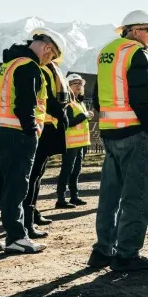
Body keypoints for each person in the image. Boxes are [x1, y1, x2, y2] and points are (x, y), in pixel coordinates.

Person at [0, 30, 65, 255]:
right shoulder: (29, 67)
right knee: (16, 187)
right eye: (50, 58)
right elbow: (25, 105)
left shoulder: (9, 65)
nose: (48, 62)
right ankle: (16, 238)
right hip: (15, 134)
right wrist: (32, 132)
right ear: (48, 48)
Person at [87, 10, 148, 272]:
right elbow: (140, 97)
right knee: (137, 196)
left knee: (110, 195)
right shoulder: (136, 53)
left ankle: (102, 250)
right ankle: (127, 254)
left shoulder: (107, 53)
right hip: (135, 131)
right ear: (135, 30)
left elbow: (96, 98)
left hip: (110, 131)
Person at [22, 31, 70, 236]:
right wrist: (60, 112)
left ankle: (32, 212)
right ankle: (25, 218)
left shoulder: (51, 68)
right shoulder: (38, 67)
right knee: (31, 176)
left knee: (37, 174)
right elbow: (46, 97)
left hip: (48, 126)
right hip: (41, 125)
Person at [56, 73, 91, 208]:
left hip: (81, 142)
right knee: (67, 170)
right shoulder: (68, 103)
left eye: (80, 84)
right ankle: (61, 199)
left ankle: (74, 196)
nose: (79, 86)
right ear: (68, 86)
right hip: (71, 143)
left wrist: (85, 115)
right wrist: (84, 115)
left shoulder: (79, 102)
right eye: (75, 83)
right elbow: (69, 122)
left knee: (76, 171)